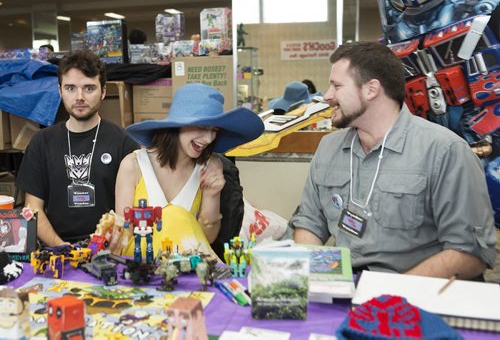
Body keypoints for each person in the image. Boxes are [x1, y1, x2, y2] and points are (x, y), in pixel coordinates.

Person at [289, 41, 497, 280]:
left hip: (414, 298)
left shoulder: (444, 151)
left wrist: (388, 293)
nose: (327, 96)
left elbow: (470, 253)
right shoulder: (328, 148)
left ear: (371, 89)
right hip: (344, 291)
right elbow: (310, 222)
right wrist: (309, 278)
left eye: (336, 86)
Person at [114, 83, 264, 260]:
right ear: (178, 125)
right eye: (202, 127)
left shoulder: (210, 168)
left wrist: (211, 195)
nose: (208, 139)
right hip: (140, 269)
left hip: (186, 274)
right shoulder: (133, 165)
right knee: (174, 215)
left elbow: (205, 239)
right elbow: (124, 235)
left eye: (214, 130)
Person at [16, 50, 138, 246]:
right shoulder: (41, 142)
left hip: (110, 251)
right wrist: (61, 247)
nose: (79, 97)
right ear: (60, 91)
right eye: (71, 88)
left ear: (104, 91)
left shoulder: (124, 143)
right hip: (57, 251)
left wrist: (106, 248)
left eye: (89, 88)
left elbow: (130, 213)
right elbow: (33, 208)